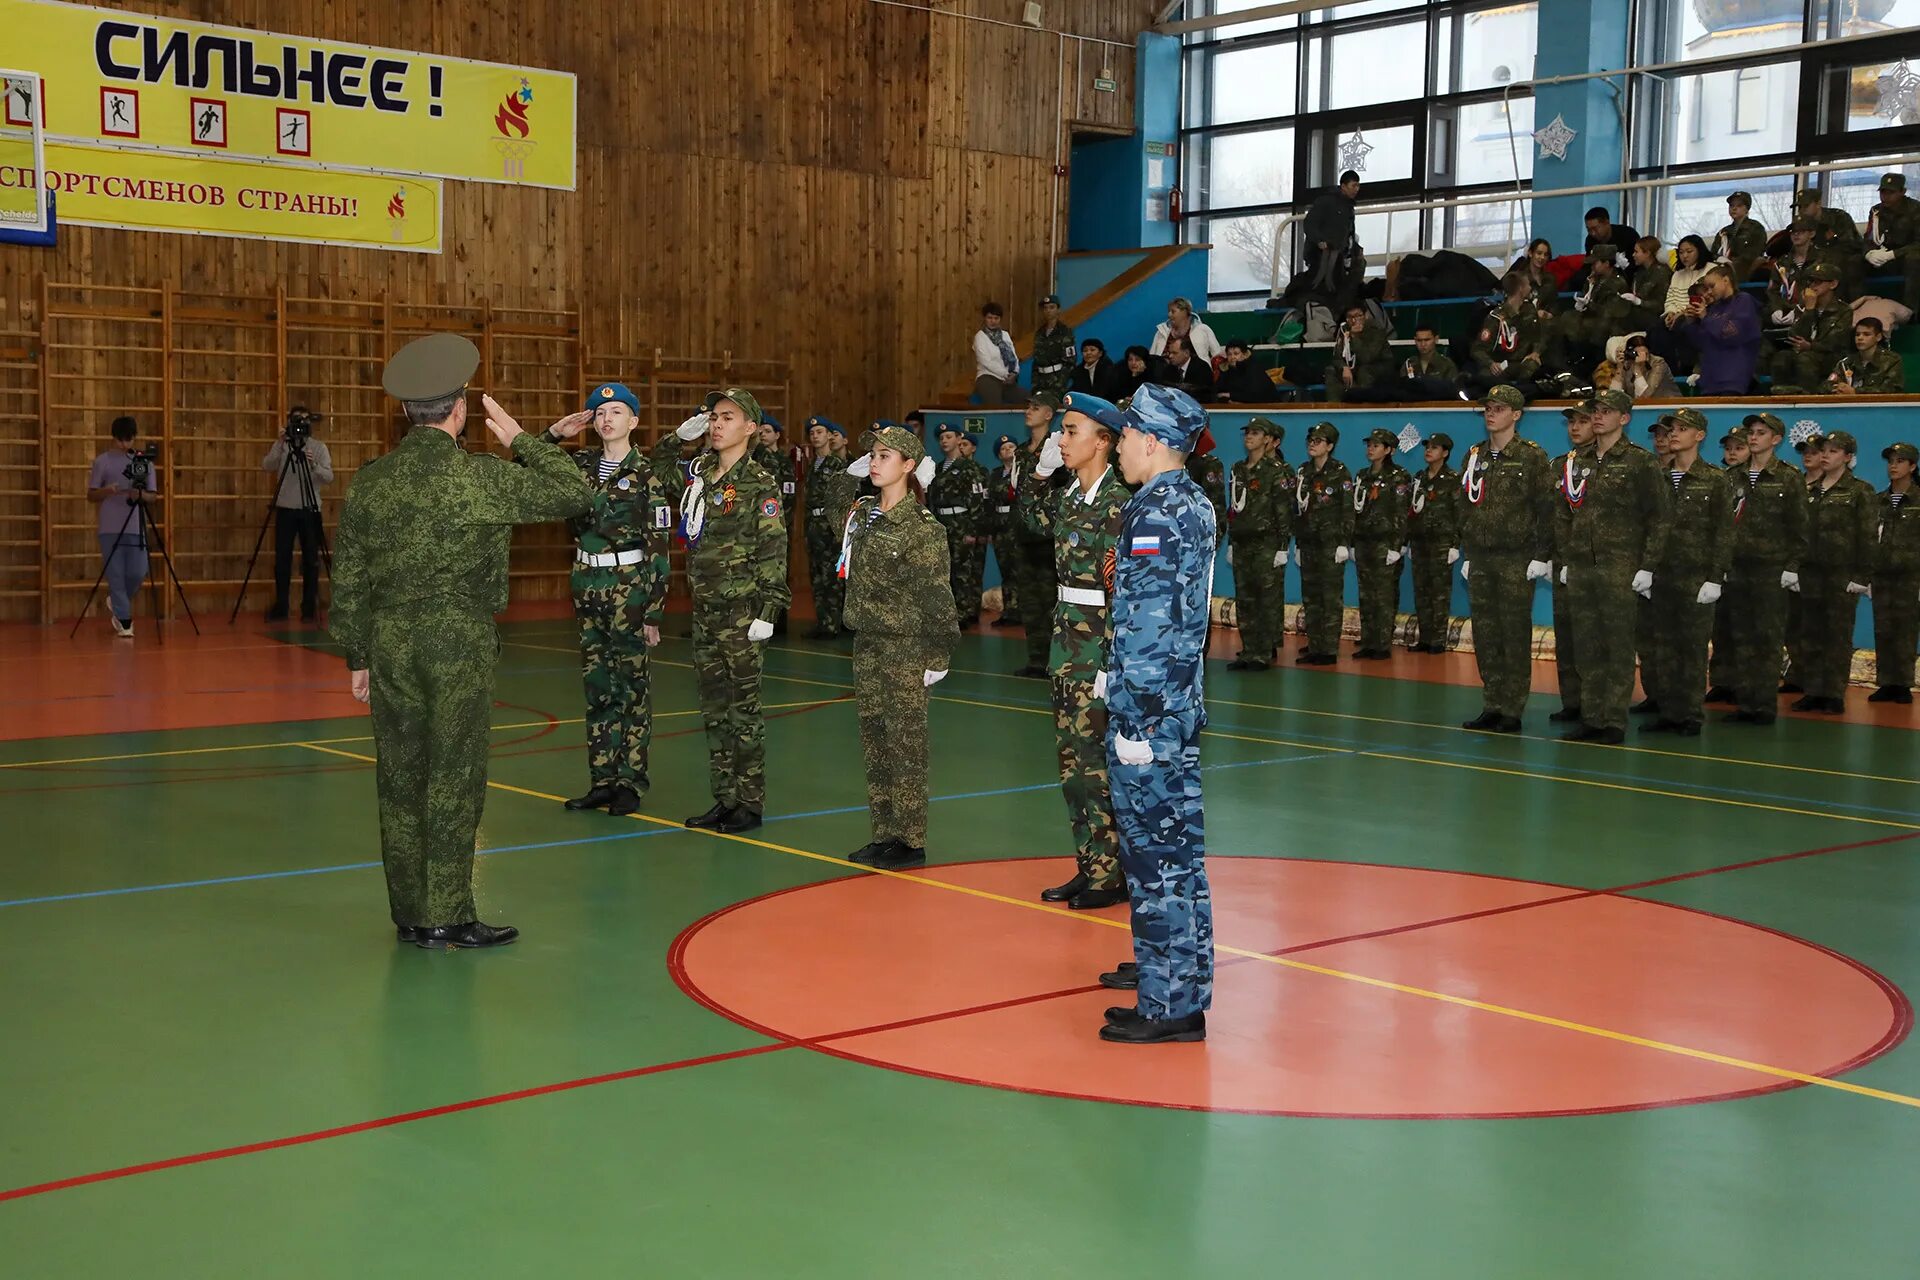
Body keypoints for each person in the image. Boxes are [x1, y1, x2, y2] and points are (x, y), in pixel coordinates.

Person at [330, 335, 592, 949]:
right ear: (460, 409)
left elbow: (348, 576)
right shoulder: (480, 478)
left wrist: (357, 655)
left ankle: (411, 913)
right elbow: (575, 493)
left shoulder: (372, 482)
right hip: (458, 641)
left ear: (405, 412)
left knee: (400, 776)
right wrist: (524, 439)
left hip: (390, 638)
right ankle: (447, 912)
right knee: (454, 772)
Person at [1097, 383, 1216, 1046]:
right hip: (1170, 705)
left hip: (1153, 712)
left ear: (1149, 439)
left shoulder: (1161, 511)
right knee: (1176, 857)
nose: (1117, 449)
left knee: (1157, 860)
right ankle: (1176, 989)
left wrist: (1135, 720)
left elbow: (1152, 624)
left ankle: (1169, 1007)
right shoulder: (1185, 501)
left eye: (1123, 436)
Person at [536, 383, 676, 816]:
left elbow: (659, 543)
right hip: (587, 583)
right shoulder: (578, 465)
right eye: (599, 413)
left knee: (630, 688)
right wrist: (554, 434)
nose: (606, 419)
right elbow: (524, 466)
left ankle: (629, 783)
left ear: (633, 421)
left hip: (628, 586)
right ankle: (602, 779)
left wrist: (654, 608)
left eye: (616, 412)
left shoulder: (647, 475)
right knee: (598, 688)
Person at [1025, 392, 1132, 910]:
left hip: (1099, 645)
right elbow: (1028, 521)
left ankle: (1113, 874)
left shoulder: (1121, 502)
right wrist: (1038, 474)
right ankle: (1090, 864)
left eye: (1070, 432)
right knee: (1073, 765)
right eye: (1061, 432)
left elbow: (1126, 593)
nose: (1061, 440)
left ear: (1103, 441)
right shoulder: (1070, 496)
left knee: (1099, 766)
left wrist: (1114, 661)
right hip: (1067, 642)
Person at [839, 425, 956, 871]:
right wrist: (844, 474)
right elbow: (828, 505)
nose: (874, 461)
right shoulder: (863, 514)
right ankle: (884, 833)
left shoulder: (922, 528)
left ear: (909, 466)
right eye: (872, 454)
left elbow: (937, 595)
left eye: (885, 455)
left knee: (906, 744)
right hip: (867, 642)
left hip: (906, 647)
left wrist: (939, 652)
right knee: (875, 742)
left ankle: (911, 840)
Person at [678, 387, 792, 834]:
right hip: (705, 609)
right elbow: (656, 467)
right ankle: (724, 798)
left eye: (727, 417)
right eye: (713, 417)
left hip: (742, 610)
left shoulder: (759, 483)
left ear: (750, 428)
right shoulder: (701, 473)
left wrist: (769, 608)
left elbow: (772, 548)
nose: (716, 424)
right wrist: (678, 437)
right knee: (714, 710)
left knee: (744, 711)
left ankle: (750, 802)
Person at [1557, 389, 1669, 744]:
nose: (1598, 417)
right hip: (1582, 566)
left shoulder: (1640, 461)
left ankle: (1614, 721)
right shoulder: (1579, 460)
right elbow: (1563, 513)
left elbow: (1660, 517)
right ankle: (1592, 717)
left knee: (1618, 646)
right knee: (1587, 645)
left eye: (1607, 411)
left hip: (1621, 565)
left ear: (1624, 418)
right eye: (1595, 411)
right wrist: (1566, 556)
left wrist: (1648, 565)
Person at [1458, 386, 1555, 732]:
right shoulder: (1474, 456)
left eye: (1499, 408)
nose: (1490, 413)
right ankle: (1492, 702)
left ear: (1516, 415)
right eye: (1487, 408)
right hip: (1482, 558)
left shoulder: (1531, 456)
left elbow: (1547, 510)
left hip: (1517, 558)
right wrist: (1467, 551)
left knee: (1513, 634)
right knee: (1485, 634)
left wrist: (1542, 556)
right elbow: (1465, 506)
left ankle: (1512, 709)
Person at [1641, 408, 1736, 736]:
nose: (1674, 435)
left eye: (1683, 429)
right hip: (1662, 575)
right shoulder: (1657, 477)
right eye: (1671, 429)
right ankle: (1668, 711)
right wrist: (1646, 567)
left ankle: (1690, 715)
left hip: (1697, 576)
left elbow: (1724, 531)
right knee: (1663, 647)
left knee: (1692, 649)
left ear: (1699, 436)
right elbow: (1648, 526)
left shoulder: (1715, 478)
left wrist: (1715, 575)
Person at [1721, 413, 1807, 727]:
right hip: (1737, 568)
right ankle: (1746, 703)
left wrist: (1793, 566)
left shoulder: (1788, 477)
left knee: (1767, 640)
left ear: (1776, 439)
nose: (1753, 437)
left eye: (1761, 433)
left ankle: (1764, 706)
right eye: (1751, 432)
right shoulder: (1732, 476)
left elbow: (1800, 527)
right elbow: (1722, 525)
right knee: (1741, 638)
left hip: (1771, 570)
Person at [1794, 431, 1877, 714]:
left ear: (1848, 457)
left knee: (1837, 635)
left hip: (1842, 574)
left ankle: (1833, 693)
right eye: (1824, 450)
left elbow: (1867, 536)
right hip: (1810, 572)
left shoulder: (1860, 491)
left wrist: (1862, 575)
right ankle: (1813, 690)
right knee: (1810, 634)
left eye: (1833, 450)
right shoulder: (1810, 490)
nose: (1826, 455)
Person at [1226, 416, 1293, 671]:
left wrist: (1283, 547)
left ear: (1267, 439)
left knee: (1266, 598)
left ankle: (1263, 652)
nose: (1249, 436)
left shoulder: (1275, 470)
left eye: (1256, 433)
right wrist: (1232, 541)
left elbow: (1283, 510)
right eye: (1248, 432)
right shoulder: (1238, 469)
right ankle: (1249, 650)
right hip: (1242, 541)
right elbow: (1234, 508)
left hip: (1267, 543)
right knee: (1245, 598)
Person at [260, 413, 335, 621]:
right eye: (296, 423)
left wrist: (314, 465)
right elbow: (266, 465)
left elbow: (329, 477)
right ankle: (281, 606)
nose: (299, 428)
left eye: (303, 424)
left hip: (310, 509)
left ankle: (309, 607)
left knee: (311, 559)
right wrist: (280, 444)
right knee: (282, 559)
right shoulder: (283, 445)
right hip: (285, 508)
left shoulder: (318, 448)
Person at [1547, 403, 1596, 723]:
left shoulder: (1606, 463)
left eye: (1583, 421)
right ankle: (1572, 701)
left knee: (1592, 638)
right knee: (1566, 636)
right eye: (1571, 423)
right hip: (1562, 561)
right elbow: (1549, 514)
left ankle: (1596, 706)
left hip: (1595, 562)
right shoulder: (1560, 465)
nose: (1574, 428)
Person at [1009, 392, 1063, 675]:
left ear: (1049, 414)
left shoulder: (1057, 448)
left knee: (1051, 602)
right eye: (1027, 406)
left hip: (1048, 537)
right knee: (1029, 601)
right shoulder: (1020, 451)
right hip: (1024, 535)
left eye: (1036, 407)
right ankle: (1036, 659)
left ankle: (1056, 661)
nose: (1028, 411)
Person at [86, 416, 155, 638]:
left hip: (136, 525)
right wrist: (108, 491)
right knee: (115, 574)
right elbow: (91, 494)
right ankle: (124, 621)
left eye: (129, 440)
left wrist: (140, 494)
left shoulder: (142, 461)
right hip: (110, 526)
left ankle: (116, 600)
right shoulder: (102, 461)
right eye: (120, 440)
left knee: (137, 572)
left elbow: (152, 496)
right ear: (113, 438)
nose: (125, 445)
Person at [1293, 421, 1354, 664]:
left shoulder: (1340, 472)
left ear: (1329, 446)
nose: (1312, 444)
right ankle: (1315, 643)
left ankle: (1328, 649)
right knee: (1311, 596)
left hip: (1330, 544)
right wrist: (1297, 542)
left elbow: (1348, 510)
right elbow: (1297, 509)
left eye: (1318, 441)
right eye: (1310, 440)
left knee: (1329, 598)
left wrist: (1343, 543)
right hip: (1308, 543)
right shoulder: (1303, 471)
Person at [1349, 427, 1411, 659]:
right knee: (1366, 594)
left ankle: (1382, 644)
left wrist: (1397, 546)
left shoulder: (1399, 476)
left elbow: (1402, 513)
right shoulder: (1362, 476)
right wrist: (1352, 542)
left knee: (1383, 595)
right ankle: (1368, 640)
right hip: (1364, 542)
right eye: (1369, 444)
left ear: (1389, 450)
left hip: (1386, 543)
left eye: (1376, 445)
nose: (1371, 448)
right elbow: (1355, 511)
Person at [1703, 428, 1752, 704]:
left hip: (1748, 563)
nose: (1732, 453)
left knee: (1745, 628)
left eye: (1739, 448)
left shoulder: (1756, 481)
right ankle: (1722, 681)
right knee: (1721, 627)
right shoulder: (1720, 479)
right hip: (1722, 562)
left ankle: (1744, 684)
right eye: (1728, 448)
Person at [1869, 441, 1918, 703]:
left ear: (1912, 466)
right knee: (1883, 628)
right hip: (1882, 574)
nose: (1893, 466)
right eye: (1890, 461)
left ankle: (1903, 684)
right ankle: (1887, 681)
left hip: (1911, 575)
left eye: (1900, 461)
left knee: (1906, 629)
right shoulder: (1879, 501)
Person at [927, 422, 990, 627]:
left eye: (949, 437)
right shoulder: (936, 468)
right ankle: (949, 611)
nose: (945, 441)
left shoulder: (969, 467)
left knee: (963, 570)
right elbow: (932, 500)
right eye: (942, 438)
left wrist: (973, 530)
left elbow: (977, 500)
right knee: (946, 570)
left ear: (958, 439)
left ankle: (964, 612)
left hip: (962, 522)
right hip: (942, 523)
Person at [1406, 431, 1461, 653]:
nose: (1428, 450)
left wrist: (1455, 545)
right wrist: (1408, 540)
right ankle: (1425, 638)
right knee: (1421, 592)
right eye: (1427, 446)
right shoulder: (1419, 477)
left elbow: (1459, 513)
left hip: (1441, 544)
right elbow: (1411, 511)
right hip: (1419, 543)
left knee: (1439, 594)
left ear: (1445, 453)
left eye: (1435, 447)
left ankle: (1438, 640)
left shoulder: (1452, 480)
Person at [1764, 263, 1852, 393]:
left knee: (1806, 359)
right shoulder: (1805, 305)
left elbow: (1834, 343)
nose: (1812, 286)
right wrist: (1809, 311)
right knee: (1781, 357)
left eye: (1818, 282)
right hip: (1805, 352)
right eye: (1811, 281)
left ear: (1833, 284)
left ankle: (1809, 398)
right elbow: (1794, 335)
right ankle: (1780, 397)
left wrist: (1810, 346)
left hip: (1831, 357)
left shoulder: (1844, 310)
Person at [803, 416, 853, 638]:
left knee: (832, 577)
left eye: (820, 432)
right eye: (812, 433)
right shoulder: (813, 465)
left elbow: (844, 500)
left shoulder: (836, 465)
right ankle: (823, 621)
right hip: (814, 525)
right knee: (817, 575)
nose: (815, 436)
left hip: (830, 526)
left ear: (829, 436)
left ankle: (833, 624)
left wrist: (839, 530)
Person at [1464, 274, 1550, 399]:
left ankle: (1522, 398)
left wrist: (1536, 352)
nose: (1530, 288)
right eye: (1528, 285)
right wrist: (1490, 363)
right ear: (1521, 288)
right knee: (1485, 377)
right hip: (1500, 365)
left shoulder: (1529, 310)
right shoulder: (1495, 318)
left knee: (1533, 366)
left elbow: (1538, 335)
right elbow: (1477, 349)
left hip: (1522, 362)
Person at [1680, 265, 1762, 395]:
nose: (1709, 292)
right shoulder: (1713, 309)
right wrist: (1691, 323)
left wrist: (1705, 317)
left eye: (1712, 286)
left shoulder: (1743, 300)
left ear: (1726, 280)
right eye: (1707, 288)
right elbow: (1701, 343)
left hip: (1733, 380)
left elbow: (1733, 333)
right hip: (1709, 381)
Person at [1864, 172, 1920, 314]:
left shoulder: (1915, 209)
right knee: (1852, 261)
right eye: (1883, 192)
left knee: (1914, 259)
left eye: (1891, 192)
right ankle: (1854, 311)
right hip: (1881, 258)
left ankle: (1910, 313)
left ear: (1903, 191)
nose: (1886, 196)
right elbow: (1869, 238)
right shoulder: (1876, 211)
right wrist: (1868, 253)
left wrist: (1893, 254)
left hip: (1904, 258)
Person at [1302, 171, 1362, 301]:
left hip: (1338, 255)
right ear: (1343, 186)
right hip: (1320, 253)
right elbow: (1310, 223)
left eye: (1358, 186)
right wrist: (1320, 240)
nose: (1356, 189)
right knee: (1318, 286)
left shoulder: (1348, 207)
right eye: (1354, 185)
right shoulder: (1326, 201)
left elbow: (1348, 231)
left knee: (1333, 287)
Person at [1794, 187, 1864, 295]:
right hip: (1817, 260)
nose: (1802, 210)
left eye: (1806, 206)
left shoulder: (1838, 217)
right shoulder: (1802, 225)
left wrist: (1833, 241)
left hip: (1843, 259)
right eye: (1799, 207)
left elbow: (1851, 244)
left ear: (1818, 203)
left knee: (1848, 263)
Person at [986, 433, 1022, 626]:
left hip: (1016, 524)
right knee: (1006, 570)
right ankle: (1009, 610)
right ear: (999, 455)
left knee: (1019, 569)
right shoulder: (995, 474)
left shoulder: (1023, 473)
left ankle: (1022, 611)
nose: (1007, 450)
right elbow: (989, 500)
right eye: (1003, 448)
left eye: (1011, 447)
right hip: (1000, 526)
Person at [1325, 303, 1394, 403]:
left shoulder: (1376, 332)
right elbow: (1337, 357)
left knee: (1364, 371)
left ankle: (1363, 405)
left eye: (1358, 316)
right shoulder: (1344, 332)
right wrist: (1343, 367)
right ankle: (1334, 407)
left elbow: (1367, 358)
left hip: (1379, 367)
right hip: (1354, 367)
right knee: (1330, 370)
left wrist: (1355, 337)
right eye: (1350, 317)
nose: (1354, 320)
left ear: (1365, 316)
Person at [1828, 317, 1906, 394]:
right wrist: (1838, 388)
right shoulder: (1846, 363)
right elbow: (1826, 385)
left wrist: (1855, 392)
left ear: (1878, 337)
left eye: (1866, 334)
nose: (1860, 338)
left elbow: (1892, 389)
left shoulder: (1892, 361)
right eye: (1857, 334)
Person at [972, 301, 1023, 405]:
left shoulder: (1005, 335)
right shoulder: (980, 337)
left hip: (1008, 379)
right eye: (990, 318)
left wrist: (1015, 373)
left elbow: (1014, 356)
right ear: (984, 318)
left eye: (996, 318)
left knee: (1027, 399)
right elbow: (986, 361)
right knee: (995, 404)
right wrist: (1005, 374)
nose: (993, 321)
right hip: (988, 376)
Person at [1713, 191, 1769, 283]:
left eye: (1739, 206)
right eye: (1731, 205)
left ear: (1747, 209)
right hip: (1724, 267)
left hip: (1746, 268)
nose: (1734, 208)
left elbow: (1755, 251)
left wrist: (1732, 263)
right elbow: (1714, 252)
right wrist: (1721, 260)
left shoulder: (1756, 228)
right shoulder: (1724, 232)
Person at [1030, 293, 1077, 401]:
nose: (1048, 311)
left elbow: (1070, 362)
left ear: (1058, 310)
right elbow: (1036, 360)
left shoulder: (1065, 332)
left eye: (1052, 307)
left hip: (1056, 381)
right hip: (1040, 382)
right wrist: (1035, 384)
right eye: (1045, 308)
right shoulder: (1040, 333)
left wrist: (1060, 383)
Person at [1621, 237, 1673, 334]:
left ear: (1647, 253)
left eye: (1636, 252)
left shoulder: (1662, 272)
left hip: (1657, 317)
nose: (1633, 255)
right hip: (1642, 313)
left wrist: (1639, 302)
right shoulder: (1640, 272)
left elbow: (1661, 304)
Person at [1149, 297, 1222, 365]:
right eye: (1169, 311)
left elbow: (1218, 356)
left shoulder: (1203, 329)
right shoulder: (1161, 332)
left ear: (1184, 312)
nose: (1169, 315)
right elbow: (1151, 358)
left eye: (1173, 311)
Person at [1184, 424, 1227, 536]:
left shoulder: (1207, 464)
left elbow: (1216, 506)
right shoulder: (1169, 462)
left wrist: (1214, 540)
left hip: (1198, 535)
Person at [1610, 335, 1679, 400]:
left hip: (1668, 405)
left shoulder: (1658, 363)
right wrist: (1619, 367)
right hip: (1638, 407)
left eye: (1644, 353)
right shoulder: (1628, 364)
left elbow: (1645, 396)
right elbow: (1613, 396)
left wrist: (1637, 368)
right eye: (1636, 353)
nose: (1640, 357)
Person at [1509, 238, 1560, 315]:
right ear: (1530, 253)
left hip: (1547, 322)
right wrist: (1535, 314)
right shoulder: (1519, 278)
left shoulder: (1550, 279)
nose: (1542, 257)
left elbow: (1554, 303)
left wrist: (1550, 314)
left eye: (1545, 255)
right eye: (1539, 253)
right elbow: (1513, 306)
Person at [1153, 332, 1215, 396]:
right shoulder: (1169, 369)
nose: (1170, 356)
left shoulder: (1202, 368)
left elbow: (1205, 393)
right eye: (1170, 352)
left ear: (1186, 353)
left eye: (1174, 353)